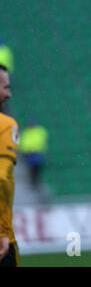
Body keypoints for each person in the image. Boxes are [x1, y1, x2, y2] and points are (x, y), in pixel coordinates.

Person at [0, 65, 20, 267]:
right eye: (5, 87)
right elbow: (1, 177)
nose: (9, 94)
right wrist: (2, 232)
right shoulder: (5, 124)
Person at [19, 120, 48, 189]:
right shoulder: (26, 132)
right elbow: (24, 142)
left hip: (37, 152)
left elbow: (41, 140)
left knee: (37, 168)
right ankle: (33, 182)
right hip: (29, 153)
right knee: (31, 168)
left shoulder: (40, 131)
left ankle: (36, 182)